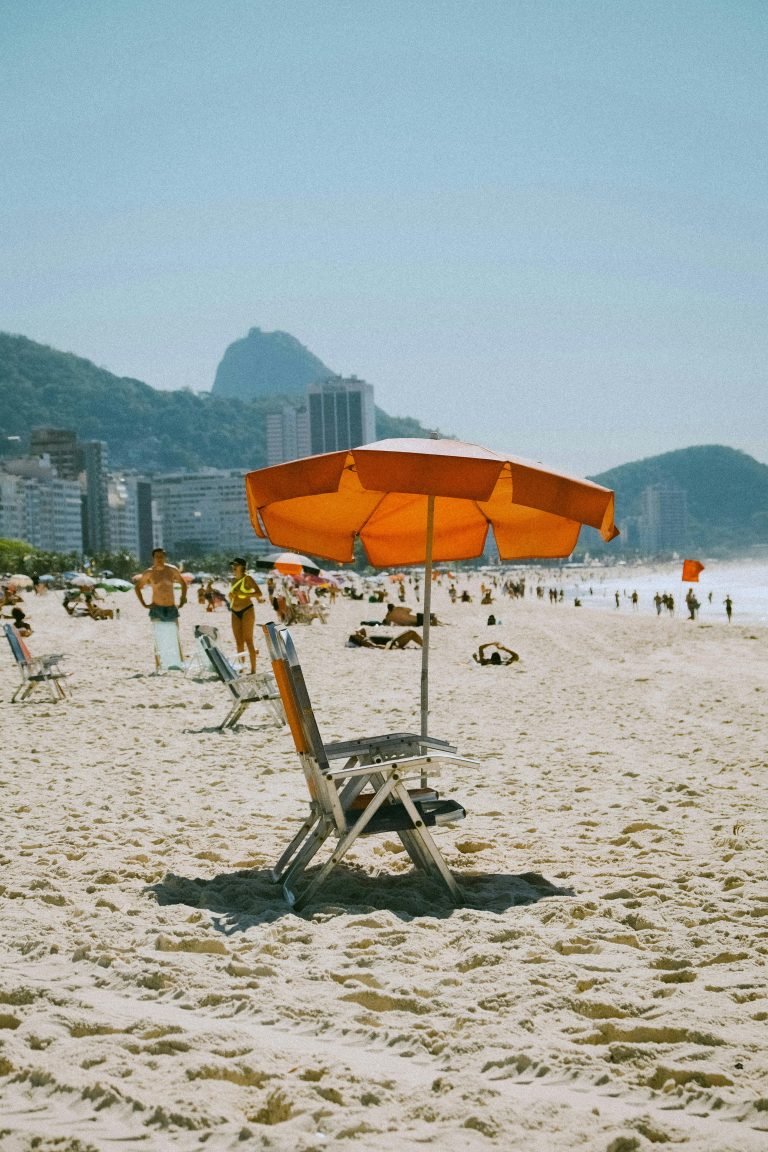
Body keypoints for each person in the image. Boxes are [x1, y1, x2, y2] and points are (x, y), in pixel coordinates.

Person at [228, 558, 264, 672]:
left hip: (247, 610)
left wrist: (244, 593)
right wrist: (231, 596)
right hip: (234, 611)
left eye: (236, 565)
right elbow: (232, 596)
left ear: (242, 567)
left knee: (248, 641)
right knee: (238, 642)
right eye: (232, 565)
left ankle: (253, 669)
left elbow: (259, 593)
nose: (233, 567)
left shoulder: (247, 578)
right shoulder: (233, 580)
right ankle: (241, 668)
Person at [134, 548, 188, 622]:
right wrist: (144, 604)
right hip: (156, 608)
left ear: (165, 557)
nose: (159, 558)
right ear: (153, 558)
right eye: (157, 556)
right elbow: (137, 588)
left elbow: (183, 584)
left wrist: (182, 599)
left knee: (173, 633)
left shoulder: (172, 570)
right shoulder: (149, 573)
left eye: (161, 556)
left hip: (171, 607)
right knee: (158, 633)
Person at [347, 627, 422, 649]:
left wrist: (357, 632)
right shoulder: (365, 642)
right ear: (357, 639)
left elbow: (362, 629)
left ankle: (425, 645)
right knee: (411, 633)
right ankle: (425, 646)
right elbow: (375, 646)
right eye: (357, 635)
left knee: (411, 632)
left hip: (392, 641)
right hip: (392, 644)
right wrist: (389, 647)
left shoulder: (364, 637)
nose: (359, 633)